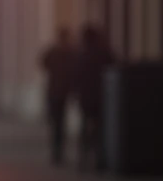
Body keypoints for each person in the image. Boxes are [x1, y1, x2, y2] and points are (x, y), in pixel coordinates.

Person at [74, 25, 114, 171]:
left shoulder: (81, 55)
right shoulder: (104, 53)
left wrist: (76, 92)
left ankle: (83, 159)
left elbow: (75, 76)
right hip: (101, 97)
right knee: (99, 128)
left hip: (86, 97)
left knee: (85, 126)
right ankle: (99, 159)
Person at [41, 27, 77, 165]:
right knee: (59, 122)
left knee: (56, 122)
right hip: (62, 92)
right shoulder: (70, 53)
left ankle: (56, 151)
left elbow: (43, 63)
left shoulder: (54, 52)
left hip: (54, 91)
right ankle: (58, 150)